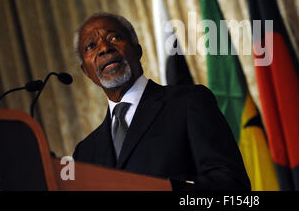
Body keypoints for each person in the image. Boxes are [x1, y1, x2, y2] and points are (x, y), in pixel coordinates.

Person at [72, 12, 250, 191]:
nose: (104, 48)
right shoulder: (85, 152)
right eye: (90, 46)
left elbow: (231, 184)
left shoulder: (189, 102)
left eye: (114, 37)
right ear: (85, 71)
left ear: (137, 50)